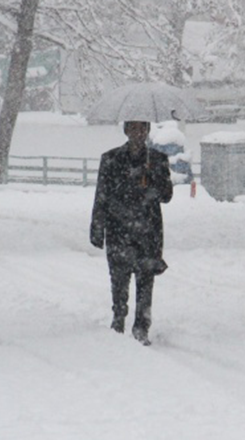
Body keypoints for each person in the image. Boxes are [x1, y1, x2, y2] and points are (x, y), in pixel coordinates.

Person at [90, 120, 173, 345]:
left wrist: (152, 177)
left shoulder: (157, 160)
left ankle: (142, 326)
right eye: (133, 128)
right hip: (118, 227)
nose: (138, 133)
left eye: (142, 128)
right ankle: (118, 318)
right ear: (126, 131)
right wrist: (97, 228)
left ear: (147, 131)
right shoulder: (111, 159)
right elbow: (102, 195)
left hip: (148, 231)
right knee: (119, 278)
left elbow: (166, 195)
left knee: (145, 280)